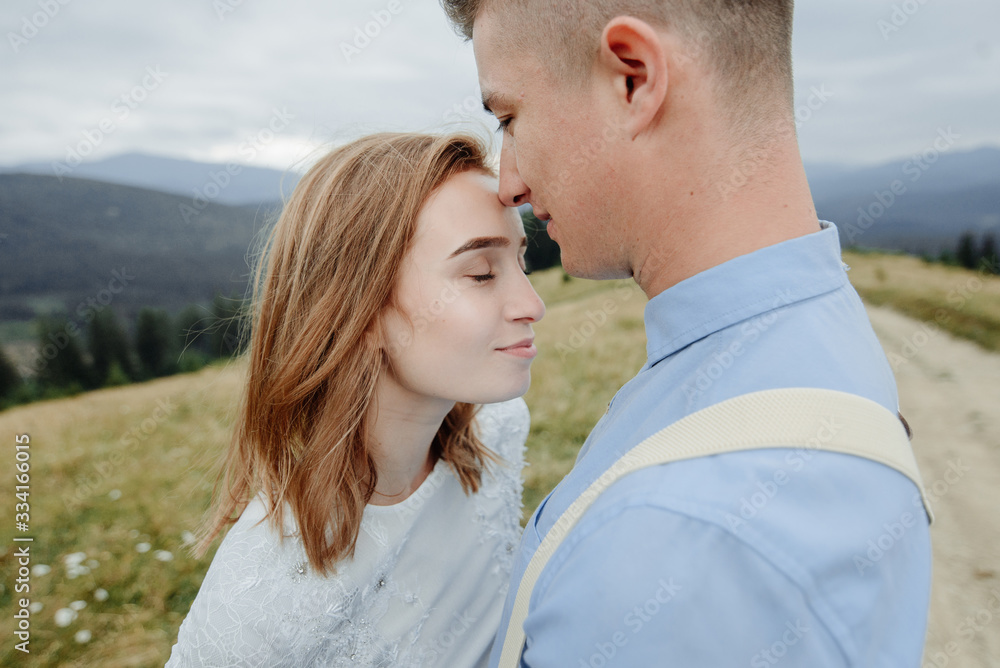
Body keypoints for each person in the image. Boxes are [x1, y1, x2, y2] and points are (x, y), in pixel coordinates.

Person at [440, 1, 933, 666]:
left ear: (633, 78)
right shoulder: (811, 317)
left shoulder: (671, 544)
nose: (511, 181)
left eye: (510, 118)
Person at [165, 132, 546, 667]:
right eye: (481, 273)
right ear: (361, 316)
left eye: (521, 263)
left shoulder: (501, 429)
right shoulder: (259, 600)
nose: (533, 304)